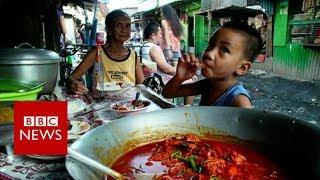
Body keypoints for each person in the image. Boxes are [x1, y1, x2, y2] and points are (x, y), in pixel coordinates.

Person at [162, 21, 263, 108]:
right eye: (211, 44)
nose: (209, 53)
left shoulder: (239, 100)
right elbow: (167, 93)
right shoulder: (207, 85)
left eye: (224, 50)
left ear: (242, 67)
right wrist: (179, 78)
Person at [67, 10, 145, 95]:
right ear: (109, 30)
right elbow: (71, 78)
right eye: (119, 25)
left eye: (127, 26)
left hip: (129, 105)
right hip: (101, 103)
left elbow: (142, 86)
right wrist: (74, 85)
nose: (124, 30)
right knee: (56, 108)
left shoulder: (133, 56)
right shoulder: (97, 52)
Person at [141, 21, 194, 105]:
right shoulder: (154, 47)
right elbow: (167, 69)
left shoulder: (142, 45)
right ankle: (187, 108)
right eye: (160, 34)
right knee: (191, 81)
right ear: (153, 35)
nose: (161, 36)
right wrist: (185, 74)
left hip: (148, 80)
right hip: (157, 82)